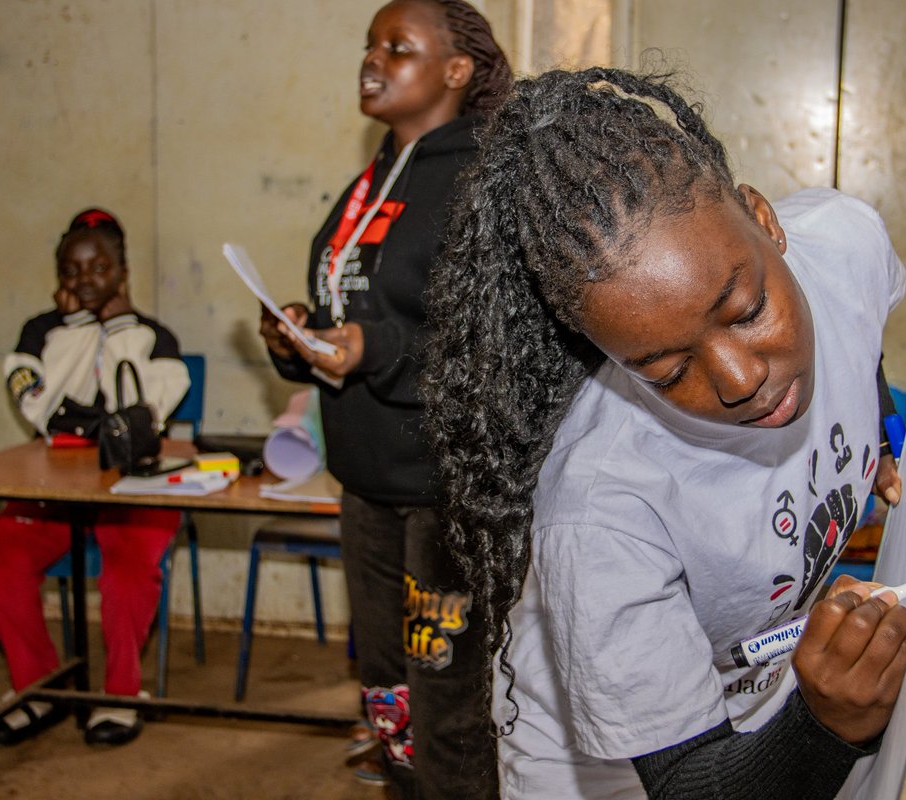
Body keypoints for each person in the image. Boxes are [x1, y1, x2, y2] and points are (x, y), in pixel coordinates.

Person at [420, 67, 906, 799]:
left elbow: (862, 325)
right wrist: (829, 722)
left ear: (764, 220)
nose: (739, 378)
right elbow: (692, 785)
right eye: (665, 368)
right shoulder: (602, 511)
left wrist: (879, 433)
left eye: (746, 310)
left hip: (769, 686)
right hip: (615, 768)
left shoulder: (845, 241)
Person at [257, 1, 511, 795]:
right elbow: (355, 317)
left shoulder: (480, 181)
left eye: (397, 47)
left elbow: (495, 345)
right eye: (370, 45)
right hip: (367, 483)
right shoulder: (370, 182)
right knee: (390, 693)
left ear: (456, 69)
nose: (373, 58)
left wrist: (379, 348)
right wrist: (303, 342)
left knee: (450, 712)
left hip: (446, 493)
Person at [0, 208, 190, 748]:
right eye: (71, 269)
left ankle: (120, 695)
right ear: (58, 277)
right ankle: (41, 689)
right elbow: (44, 412)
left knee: (126, 571)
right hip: (57, 489)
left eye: (99, 267)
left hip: (131, 486)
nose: (84, 279)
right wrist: (76, 332)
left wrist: (117, 331)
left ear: (123, 272)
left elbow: (136, 416)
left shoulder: (153, 337)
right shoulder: (38, 334)